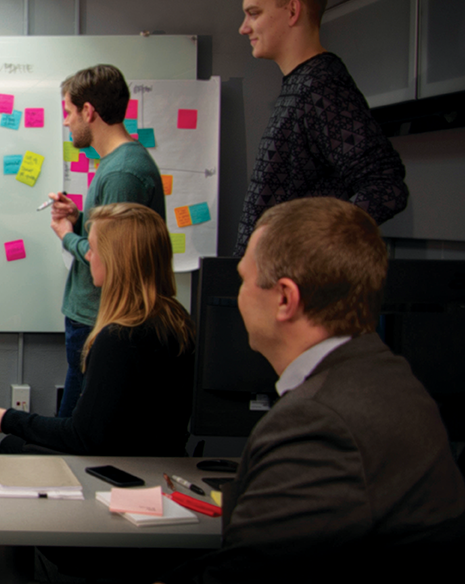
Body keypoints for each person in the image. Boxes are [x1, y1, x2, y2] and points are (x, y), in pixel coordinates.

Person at [163, 197, 465, 583]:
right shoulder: (386, 374)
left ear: (285, 298)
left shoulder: (319, 422)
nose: (238, 295)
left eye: (243, 280)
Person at [0, 203, 194, 584]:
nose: (87, 256)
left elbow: (84, 436)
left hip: (109, 503)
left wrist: (9, 417)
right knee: (12, 451)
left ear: (117, 260)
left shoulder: (119, 338)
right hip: (156, 484)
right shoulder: (177, 323)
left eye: (92, 248)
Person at [233, 0, 407, 256]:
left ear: (292, 11)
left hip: (291, 283)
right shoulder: (300, 84)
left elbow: (385, 187)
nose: (243, 28)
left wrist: (308, 249)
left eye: (254, 13)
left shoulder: (322, 84)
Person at [48, 64, 166, 417]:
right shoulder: (115, 164)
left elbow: (112, 258)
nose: (66, 122)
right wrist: (80, 219)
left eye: (68, 112)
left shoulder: (122, 172)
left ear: (89, 111)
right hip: (91, 319)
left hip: (99, 320)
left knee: (74, 436)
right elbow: (116, 237)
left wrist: (68, 236)